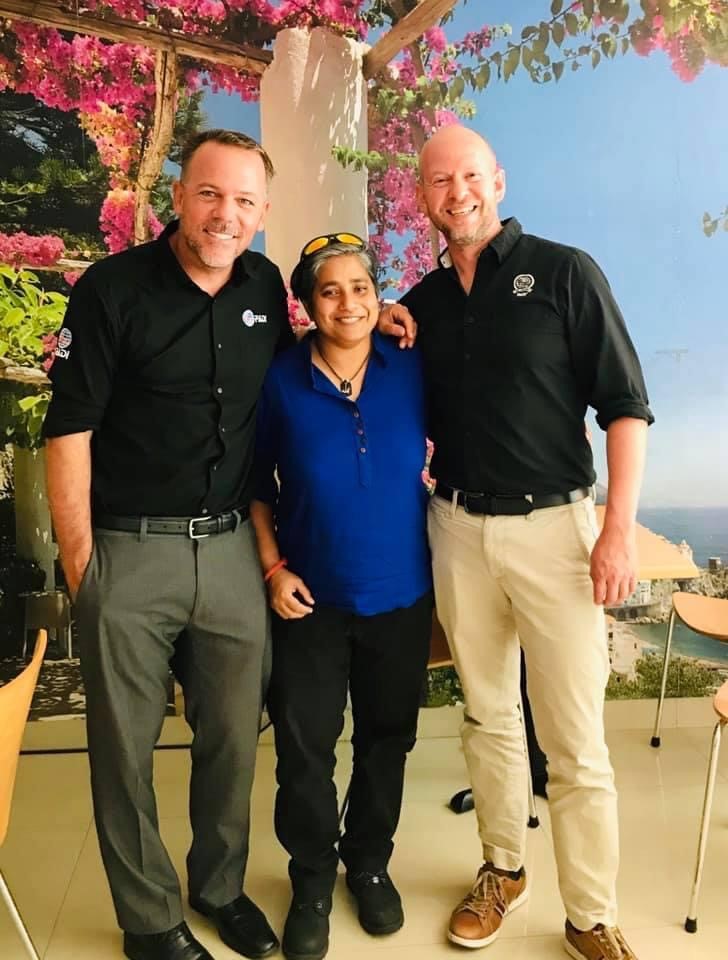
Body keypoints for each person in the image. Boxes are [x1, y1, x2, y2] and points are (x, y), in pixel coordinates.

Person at [382, 124, 653, 960]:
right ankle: (503, 869)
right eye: (438, 180)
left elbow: (625, 407)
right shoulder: (421, 304)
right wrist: (384, 323)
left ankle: (591, 915)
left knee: (574, 742)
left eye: (469, 175)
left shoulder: (567, 273)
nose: (456, 192)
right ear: (420, 196)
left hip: (558, 533)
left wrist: (615, 533)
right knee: (488, 718)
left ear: (496, 180)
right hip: (457, 528)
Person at [42, 129, 295, 960]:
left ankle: (219, 887)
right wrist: (84, 567)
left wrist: (384, 324)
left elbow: (300, 380)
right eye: (212, 194)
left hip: (229, 549)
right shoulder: (112, 291)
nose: (228, 215)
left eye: (246, 202)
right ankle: (149, 921)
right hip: (128, 547)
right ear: (179, 196)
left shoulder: (264, 285)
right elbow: (70, 428)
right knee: (125, 748)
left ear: (262, 213)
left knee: (231, 733)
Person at [250, 234, 434, 960]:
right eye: (330, 290)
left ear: (377, 294)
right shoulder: (280, 379)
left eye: (361, 287)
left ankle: (369, 862)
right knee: (304, 750)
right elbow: (255, 484)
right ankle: (313, 880)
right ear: (307, 301)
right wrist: (271, 569)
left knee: (387, 741)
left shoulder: (412, 367)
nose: (348, 303)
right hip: (310, 601)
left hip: (401, 594)